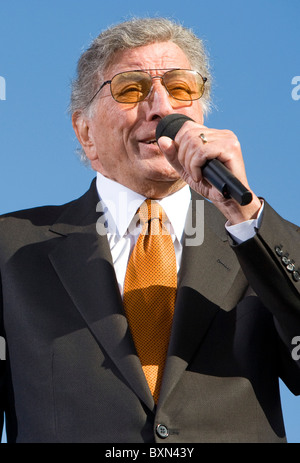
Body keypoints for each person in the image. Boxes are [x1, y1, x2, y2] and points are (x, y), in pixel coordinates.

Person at [0, 17, 299, 444]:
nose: (161, 108)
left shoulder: (259, 237)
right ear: (85, 132)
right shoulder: (9, 248)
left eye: (180, 89)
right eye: (130, 89)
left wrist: (244, 213)